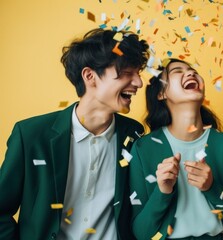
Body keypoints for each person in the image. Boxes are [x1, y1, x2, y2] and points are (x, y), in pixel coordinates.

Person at [0, 28, 149, 240]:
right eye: (127, 73)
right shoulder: (30, 135)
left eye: (138, 73)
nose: (138, 83)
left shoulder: (134, 134)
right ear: (90, 76)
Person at [129, 58, 223, 240]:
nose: (190, 73)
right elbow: (142, 234)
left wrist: (212, 187)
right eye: (177, 71)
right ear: (161, 93)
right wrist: (162, 192)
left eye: (193, 70)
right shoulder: (143, 149)